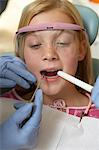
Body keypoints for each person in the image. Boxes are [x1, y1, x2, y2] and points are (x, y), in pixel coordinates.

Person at [1, 0, 99, 117]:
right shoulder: (5, 104)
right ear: (22, 53)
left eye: (62, 42)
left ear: (81, 49)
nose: (49, 54)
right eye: (35, 44)